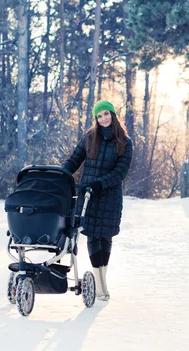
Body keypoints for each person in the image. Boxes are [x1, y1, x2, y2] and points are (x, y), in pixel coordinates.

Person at [63, 100, 133, 301]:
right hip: (88, 196)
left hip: (109, 196)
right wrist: (59, 176)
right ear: (95, 118)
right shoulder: (89, 138)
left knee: (105, 238)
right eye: (99, 116)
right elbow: (73, 161)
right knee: (93, 236)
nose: (103, 118)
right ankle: (99, 284)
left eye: (106, 114)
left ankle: (103, 280)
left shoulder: (125, 142)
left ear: (113, 114)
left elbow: (121, 172)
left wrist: (99, 184)